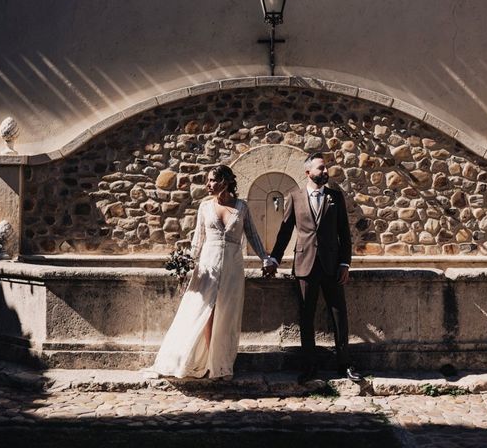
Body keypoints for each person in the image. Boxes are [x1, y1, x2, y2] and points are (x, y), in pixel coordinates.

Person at [147, 165, 273, 380]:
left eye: (212, 180)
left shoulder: (242, 207)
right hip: (208, 266)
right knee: (203, 311)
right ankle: (200, 362)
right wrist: (185, 264)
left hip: (233, 267)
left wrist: (266, 258)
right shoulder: (205, 207)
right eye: (208, 181)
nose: (208, 185)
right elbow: (198, 241)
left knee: (227, 314)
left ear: (224, 182)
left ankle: (219, 364)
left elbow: (252, 234)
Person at [266, 152, 362, 383]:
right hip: (305, 265)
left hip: (332, 267)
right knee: (306, 318)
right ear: (308, 172)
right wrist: (274, 260)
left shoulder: (335, 197)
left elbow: (344, 235)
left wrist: (344, 263)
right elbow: (285, 233)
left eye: (326, 168)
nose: (325, 171)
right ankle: (310, 367)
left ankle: (345, 364)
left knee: (339, 315)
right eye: (321, 168)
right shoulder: (294, 197)